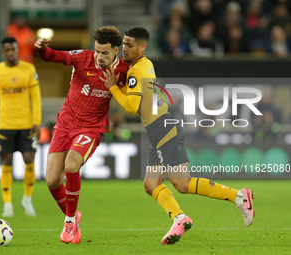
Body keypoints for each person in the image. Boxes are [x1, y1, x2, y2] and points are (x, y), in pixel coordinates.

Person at [101, 26, 255, 245]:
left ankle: (239, 197)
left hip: (163, 128)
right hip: (160, 127)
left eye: (129, 45)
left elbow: (130, 106)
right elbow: (139, 103)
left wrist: (113, 88)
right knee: (151, 184)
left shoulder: (136, 71)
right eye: (124, 44)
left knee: (182, 184)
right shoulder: (144, 65)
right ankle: (180, 218)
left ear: (142, 47)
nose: (124, 48)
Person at [34, 26, 128, 244]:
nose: (100, 57)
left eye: (105, 53)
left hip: (91, 128)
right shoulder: (82, 58)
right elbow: (53, 56)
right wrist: (41, 50)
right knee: (52, 181)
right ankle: (74, 215)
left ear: (116, 50)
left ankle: (69, 222)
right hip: (65, 123)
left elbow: (131, 99)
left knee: (71, 166)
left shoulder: (123, 71)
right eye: (97, 51)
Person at [0, 37, 42, 218]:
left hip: (26, 124)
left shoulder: (29, 69)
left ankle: (27, 199)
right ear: (3, 52)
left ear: (17, 50)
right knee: (6, 162)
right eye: (7, 50)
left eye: (13, 49)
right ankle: (7, 204)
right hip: (5, 124)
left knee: (29, 159)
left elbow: (36, 97)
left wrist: (37, 121)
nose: (11, 53)